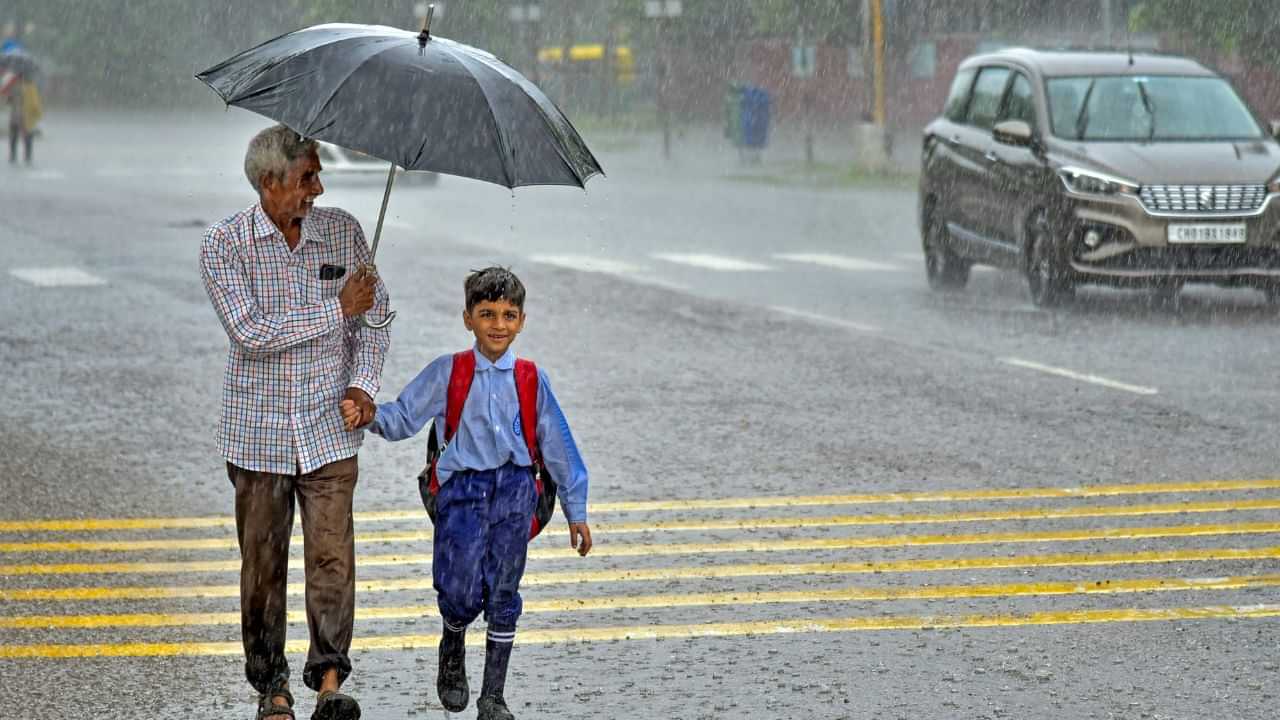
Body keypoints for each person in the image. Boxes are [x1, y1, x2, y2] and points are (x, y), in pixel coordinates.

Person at [199, 123, 390, 720]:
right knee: (263, 564)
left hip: (331, 431)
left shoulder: (344, 232)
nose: (319, 187)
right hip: (258, 437)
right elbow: (251, 333)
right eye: (308, 177)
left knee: (333, 557)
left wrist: (363, 384)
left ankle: (330, 681)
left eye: (316, 174)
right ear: (270, 182)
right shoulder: (224, 245)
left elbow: (377, 322)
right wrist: (335, 308)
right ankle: (271, 685)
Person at [342, 267, 592, 720]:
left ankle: (493, 696)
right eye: (487, 313)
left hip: (516, 492)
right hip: (461, 494)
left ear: (522, 320)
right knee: (458, 590)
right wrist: (368, 413)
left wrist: (577, 510)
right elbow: (403, 416)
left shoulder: (532, 379)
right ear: (467, 318)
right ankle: (453, 636)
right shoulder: (449, 372)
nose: (499, 324)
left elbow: (558, 446)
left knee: (504, 591)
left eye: (509, 314)